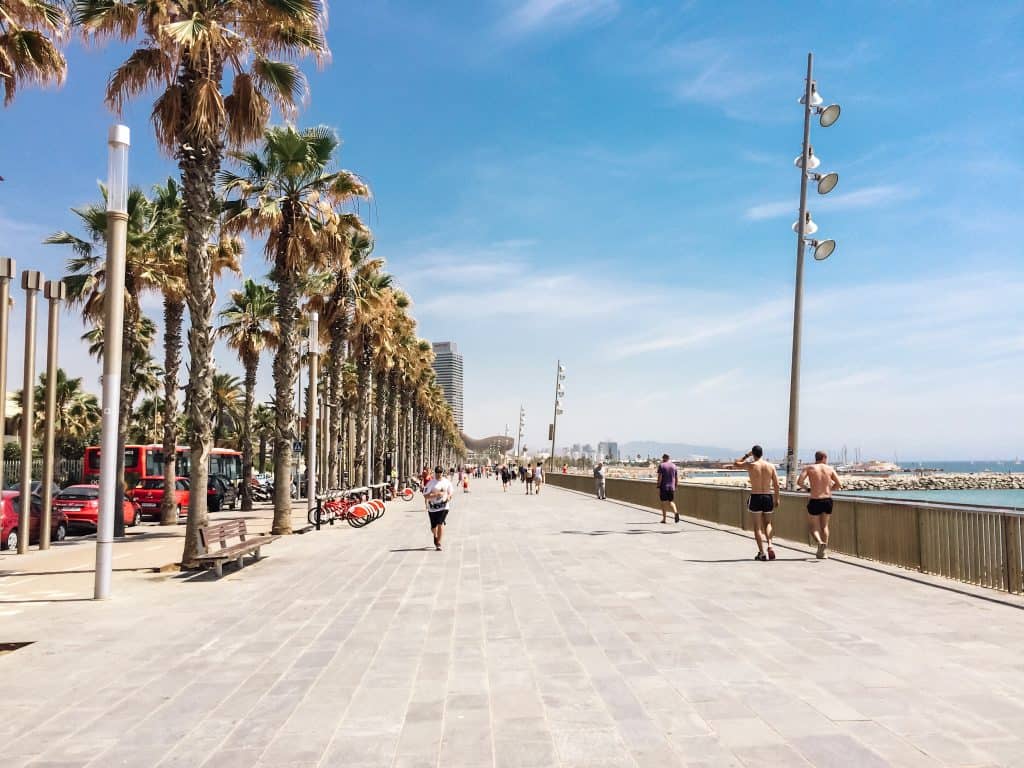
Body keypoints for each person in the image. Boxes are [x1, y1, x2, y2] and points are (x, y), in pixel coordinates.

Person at [734, 445, 780, 561]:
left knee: (757, 527)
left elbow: (736, 463)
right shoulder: (770, 466)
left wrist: (746, 455)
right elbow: (776, 484)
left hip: (756, 496)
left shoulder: (751, 465)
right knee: (768, 523)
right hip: (768, 496)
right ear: (762, 453)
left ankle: (762, 553)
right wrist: (777, 498)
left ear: (753, 454)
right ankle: (770, 545)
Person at [797, 450, 842, 559]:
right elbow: (839, 484)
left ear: (816, 458)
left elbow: (799, 482)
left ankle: (819, 542)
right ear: (824, 458)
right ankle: (823, 552)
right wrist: (829, 489)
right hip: (827, 499)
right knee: (825, 526)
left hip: (815, 499)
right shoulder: (830, 469)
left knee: (813, 527)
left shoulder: (809, 468)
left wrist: (807, 489)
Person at [423, 465, 454, 551]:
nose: (439, 474)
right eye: (437, 473)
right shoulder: (430, 483)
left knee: (440, 524)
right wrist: (436, 494)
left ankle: (439, 543)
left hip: (444, 507)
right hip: (432, 508)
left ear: (442, 473)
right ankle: (435, 536)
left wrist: (449, 497)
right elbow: (425, 495)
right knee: (433, 527)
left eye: (440, 473)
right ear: (435, 473)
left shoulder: (447, 482)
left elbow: (451, 492)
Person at [656, 454, 679, 524]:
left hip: (663, 487)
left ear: (663, 458)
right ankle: (676, 512)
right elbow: (676, 478)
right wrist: (675, 486)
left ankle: (664, 519)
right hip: (671, 487)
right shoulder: (674, 466)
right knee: (671, 501)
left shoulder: (661, 465)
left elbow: (660, 477)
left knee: (663, 503)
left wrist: (658, 485)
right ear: (669, 458)